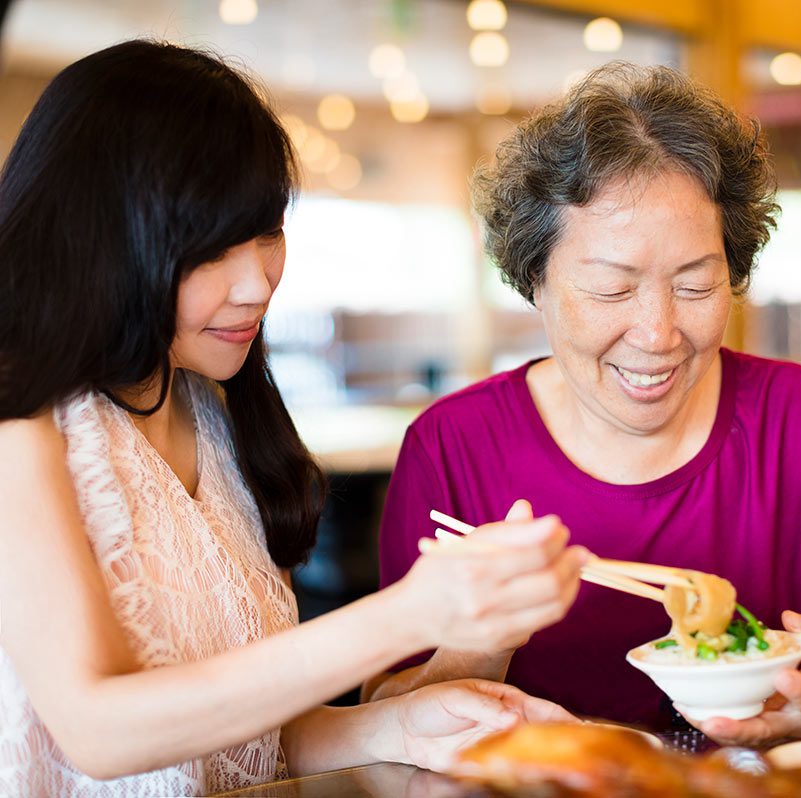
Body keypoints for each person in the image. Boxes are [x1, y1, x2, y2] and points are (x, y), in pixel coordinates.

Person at [0, 40, 587, 797]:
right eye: (210, 248)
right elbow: (98, 729)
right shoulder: (24, 425)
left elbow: (252, 742)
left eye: (268, 231)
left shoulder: (210, 413)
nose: (256, 284)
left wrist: (402, 726)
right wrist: (408, 615)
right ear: (99, 235)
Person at [367, 62, 801, 746]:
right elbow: (381, 708)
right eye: (610, 289)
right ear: (533, 280)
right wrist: (478, 647)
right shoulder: (454, 446)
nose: (658, 334)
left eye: (695, 285)